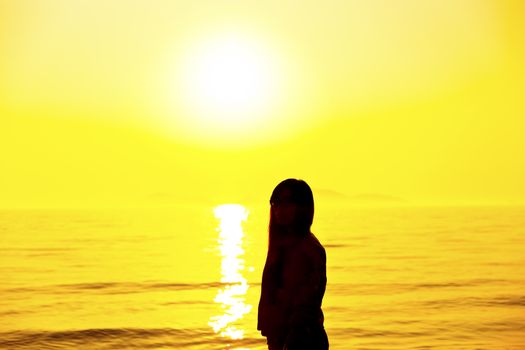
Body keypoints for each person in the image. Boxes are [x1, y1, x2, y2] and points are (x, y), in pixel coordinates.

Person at [257, 178, 329, 350]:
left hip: (301, 340)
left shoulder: (308, 249)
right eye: (276, 203)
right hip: (281, 338)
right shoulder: (280, 247)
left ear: (303, 207)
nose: (280, 209)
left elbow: (306, 305)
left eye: (287, 203)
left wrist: (289, 343)